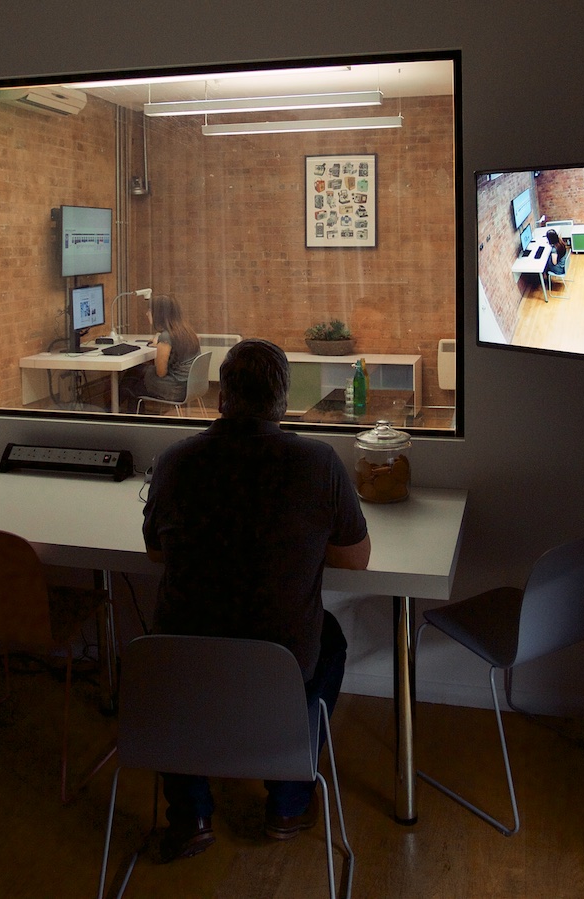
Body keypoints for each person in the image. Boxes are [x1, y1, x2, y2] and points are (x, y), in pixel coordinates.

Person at [141, 338, 372, 861]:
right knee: (328, 638)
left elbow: (156, 554)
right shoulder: (319, 463)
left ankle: (191, 813)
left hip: (184, 667)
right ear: (283, 402)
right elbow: (355, 560)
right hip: (279, 666)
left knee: (172, 655)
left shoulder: (175, 462)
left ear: (223, 399)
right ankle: (288, 801)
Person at [119, 293, 200, 412]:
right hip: (190, 385)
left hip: (176, 389)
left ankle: (116, 412)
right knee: (135, 373)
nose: (147, 313)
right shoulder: (186, 331)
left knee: (131, 384)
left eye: (150, 310)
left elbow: (161, 372)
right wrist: (160, 344)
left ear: (159, 314)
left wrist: (161, 346)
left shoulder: (166, 337)